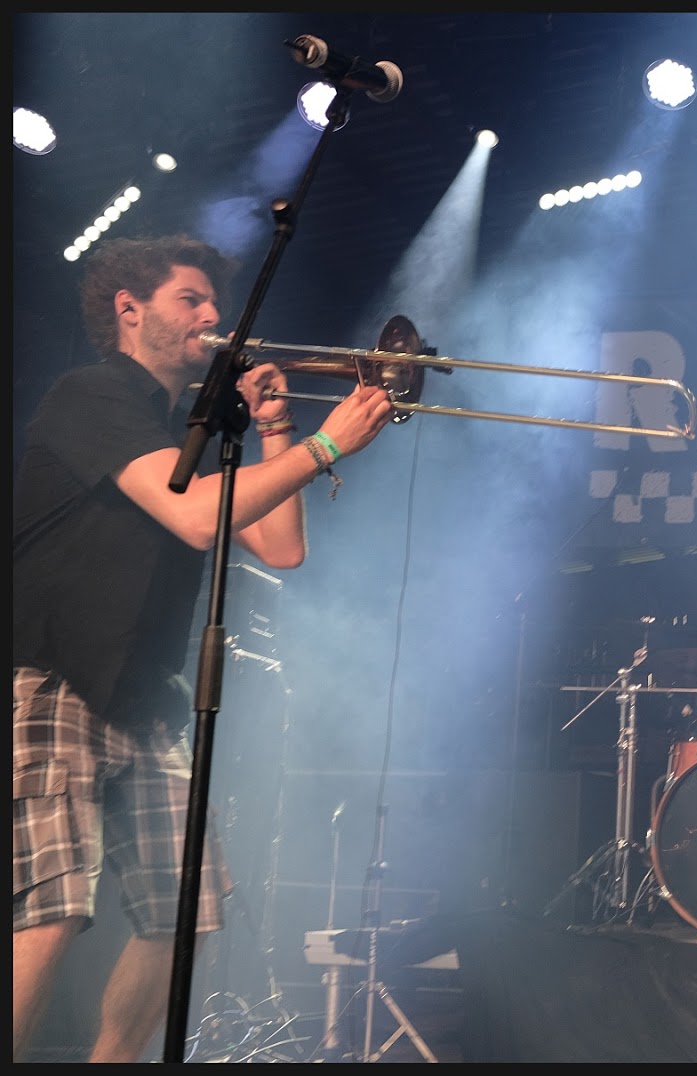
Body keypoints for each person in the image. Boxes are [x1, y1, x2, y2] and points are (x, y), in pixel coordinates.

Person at [13, 235, 395, 1062]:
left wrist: (278, 426)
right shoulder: (90, 396)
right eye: (190, 298)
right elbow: (193, 515)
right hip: (55, 680)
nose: (213, 314)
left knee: (185, 914)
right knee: (53, 909)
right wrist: (327, 447)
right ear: (130, 309)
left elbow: (281, 547)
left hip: (145, 697)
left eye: (212, 301)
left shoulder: (187, 423)